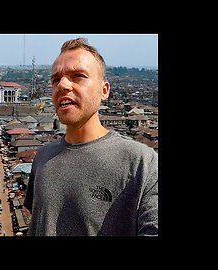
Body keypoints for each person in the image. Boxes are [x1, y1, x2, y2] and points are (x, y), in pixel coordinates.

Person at [24, 38, 158, 236]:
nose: (62, 85)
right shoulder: (43, 157)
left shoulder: (142, 163)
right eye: (55, 79)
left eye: (78, 76)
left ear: (104, 91)